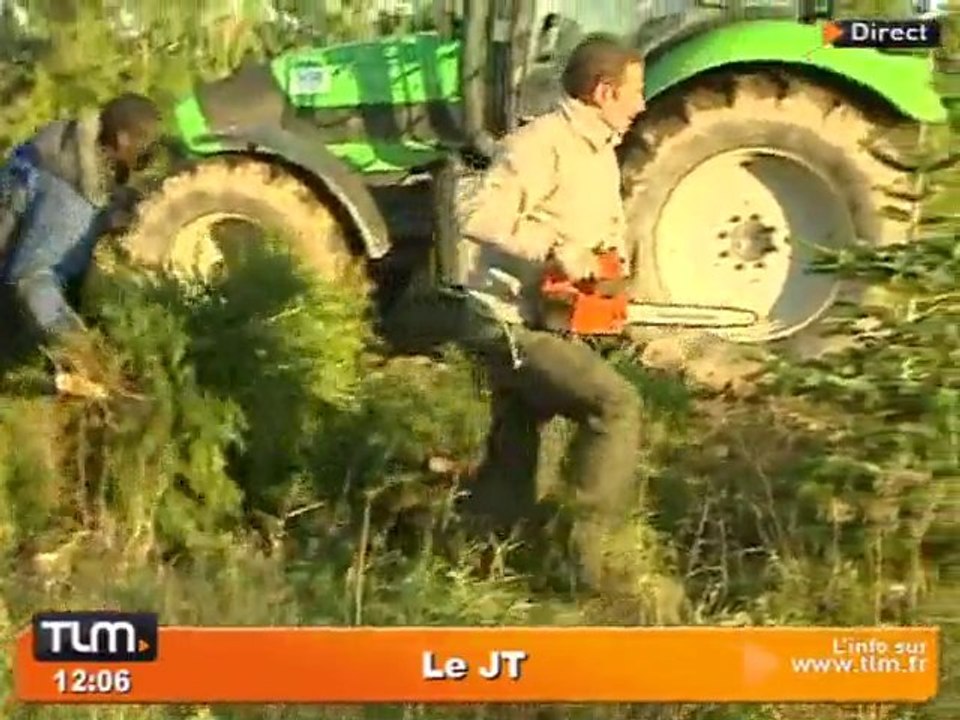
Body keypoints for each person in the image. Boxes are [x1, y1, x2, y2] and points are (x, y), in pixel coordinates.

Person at [453, 33, 648, 595]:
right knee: (616, 405)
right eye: (635, 92)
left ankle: (483, 555)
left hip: (547, 317)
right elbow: (476, 213)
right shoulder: (542, 143)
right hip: (504, 321)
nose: (641, 104)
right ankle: (579, 558)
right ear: (603, 91)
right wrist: (553, 249)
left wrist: (609, 288)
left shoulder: (600, 152)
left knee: (516, 444)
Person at [0, 93, 163, 394]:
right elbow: (30, 276)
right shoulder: (69, 200)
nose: (150, 152)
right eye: (145, 142)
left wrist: (113, 210)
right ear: (122, 140)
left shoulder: (69, 144)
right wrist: (80, 346)